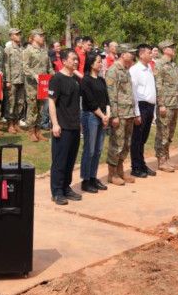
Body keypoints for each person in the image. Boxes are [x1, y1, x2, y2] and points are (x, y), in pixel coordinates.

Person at [48, 49, 83, 205]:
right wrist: (55, 123)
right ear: (63, 60)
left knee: (70, 160)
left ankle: (66, 187)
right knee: (60, 160)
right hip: (62, 126)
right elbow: (51, 102)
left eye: (77, 59)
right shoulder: (57, 79)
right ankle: (57, 191)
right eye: (73, 59)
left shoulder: (75, 79)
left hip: (75, 125)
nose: (76, 61)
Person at [105, 46, 139, 186]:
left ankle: (120, 170)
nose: (132, 56)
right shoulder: (113, 70)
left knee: (126, 144)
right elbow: (112, 95)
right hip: (119, 114)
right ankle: (112, 173)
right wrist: (114, 115)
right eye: (130, 53)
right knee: (116, 144)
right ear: (123, 54)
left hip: (128, 113)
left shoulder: (126, 70)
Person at [79, 51, 110, 194]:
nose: (101, 64)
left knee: (98, 150)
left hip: (102, 116)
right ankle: (86, 180)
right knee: (89, 150)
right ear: (91, 64)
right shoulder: (85, 80)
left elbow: (106, 99)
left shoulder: (101, 80)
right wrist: (102, 115)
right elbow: (90, 102)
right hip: (91, 116)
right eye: (98, 61)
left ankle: (93, 177)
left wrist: (107, 115)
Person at [154, 40, 178, 172]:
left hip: (174, 103)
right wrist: (161, 104)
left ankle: (167, 157)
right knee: (162, 133)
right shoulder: (159, 64)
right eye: (172, 47)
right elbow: (158, 85)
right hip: (165, 104)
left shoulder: (173, 65)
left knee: (170, 133)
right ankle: (161, 160)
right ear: (165, 49)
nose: (174, 49)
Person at [130, 43, 158, 178]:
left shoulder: (149, 68)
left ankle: (142, 164)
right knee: (137, 138)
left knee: (143, 138)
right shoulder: (135, 70)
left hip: (150, 107)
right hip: (141, 106)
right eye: (149, 52)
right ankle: (135, 166)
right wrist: (136, 113)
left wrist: (153, 111)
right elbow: (134, 92)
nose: (151, 54)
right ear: (141, 54)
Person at [23, 29, 52, 142]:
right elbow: (25, 67)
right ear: (33, 37)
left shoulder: (44, 50)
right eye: (40, 35)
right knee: (32, 107)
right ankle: (31, 131)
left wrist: (55, 76)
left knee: (41, 107)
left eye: (43, 35)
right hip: (32, 84)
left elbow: (48, 67)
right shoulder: (28, 50)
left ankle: (38, 130)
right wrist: (34, 75)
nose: (42, 37)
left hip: (44, 83)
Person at [4, 28, 26, 135]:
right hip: (12, 80)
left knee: (20, 102)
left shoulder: (22, 48)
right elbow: (6, 65)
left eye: (19, 34)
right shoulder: (8, 49)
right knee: (11, 103)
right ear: (11, 36)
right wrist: (7, 80)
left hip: (22, 79)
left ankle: (17, 122)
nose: (19, 36)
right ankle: (10, 124)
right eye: (16, 34)